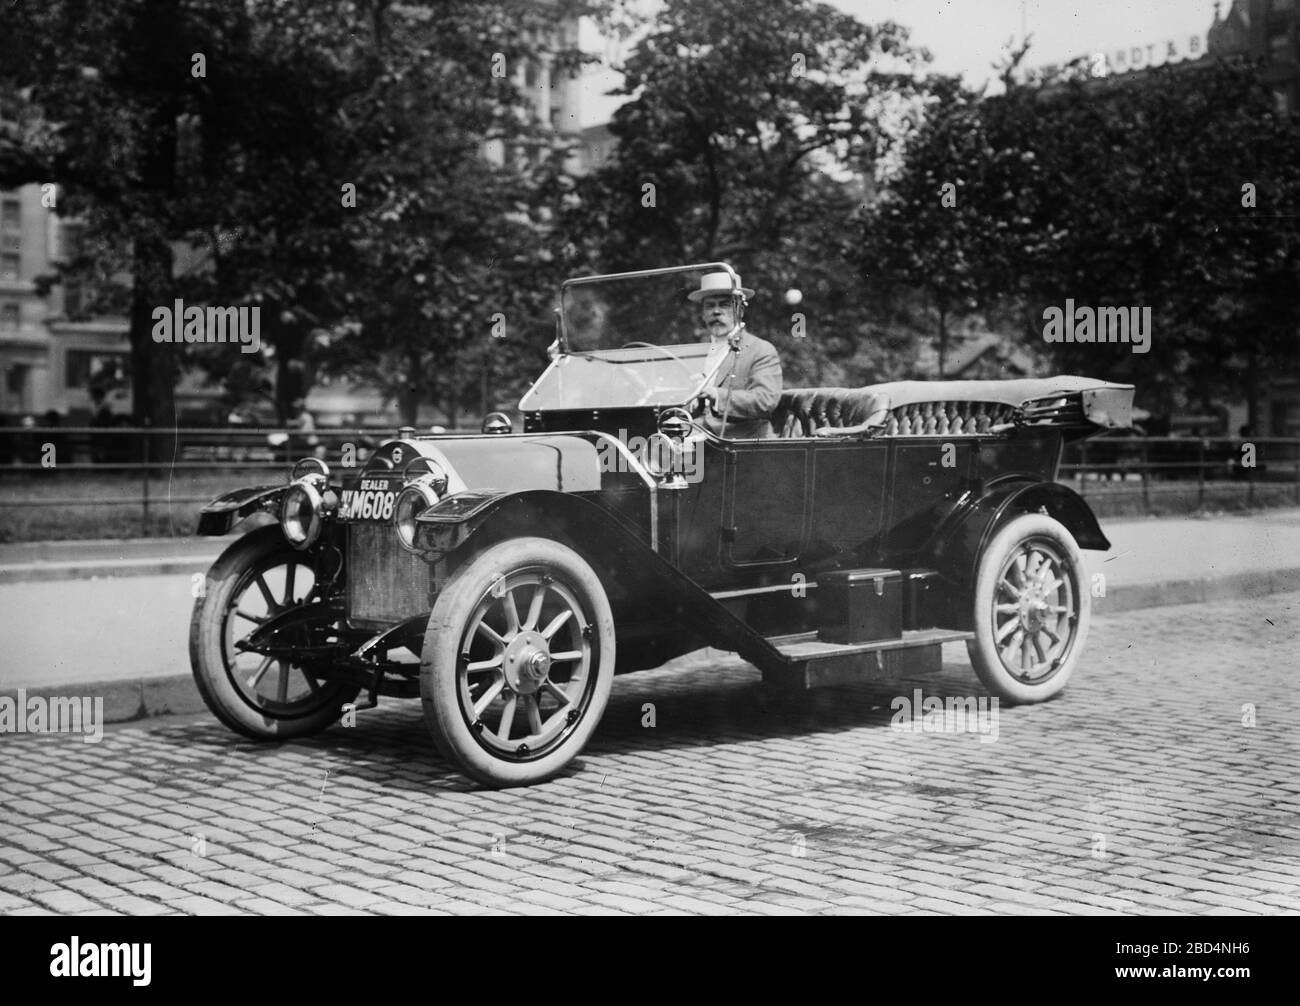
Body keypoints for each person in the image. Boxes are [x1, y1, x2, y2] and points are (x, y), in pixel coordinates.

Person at [687, 271, 782, 439]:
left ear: (740, 310)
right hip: (699, 434)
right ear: (702, 314)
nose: (716, 311)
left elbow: (765, 401)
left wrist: (715, 394)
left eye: (724, 304)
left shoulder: (760, 349)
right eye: (710, 306)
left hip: (745, 442)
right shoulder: (697, 352)